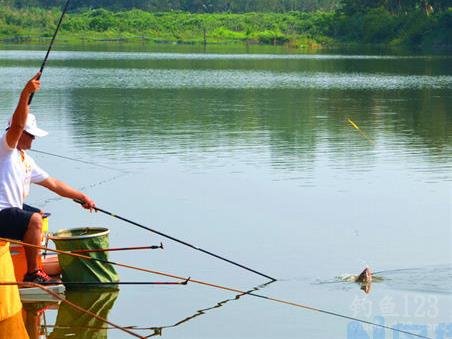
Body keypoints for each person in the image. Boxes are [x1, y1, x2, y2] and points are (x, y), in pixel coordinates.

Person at [0, 72, 96, 284]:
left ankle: (30, 260)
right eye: (31, 134)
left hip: (7, 212)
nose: (34, 139)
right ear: (20, 133)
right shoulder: (5, 148)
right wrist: (26, 93)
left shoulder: (26, 159)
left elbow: (54, 184)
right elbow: (16, 126)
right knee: (33, 220)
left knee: (39, 215)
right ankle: (33, 274)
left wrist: (81, 196)